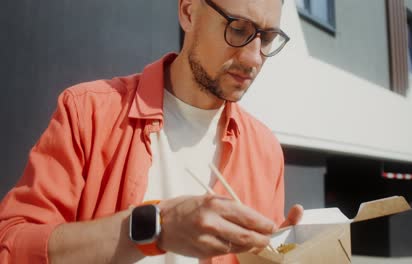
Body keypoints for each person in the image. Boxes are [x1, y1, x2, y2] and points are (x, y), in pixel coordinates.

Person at [0, 0, 303, 263]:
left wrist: (285, 252)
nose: (253, 58)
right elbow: (12, 246)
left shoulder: (266, 151)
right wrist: (157, 227)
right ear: (188, 12)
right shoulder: (88, 113)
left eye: (267, 38)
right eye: (238, 29)